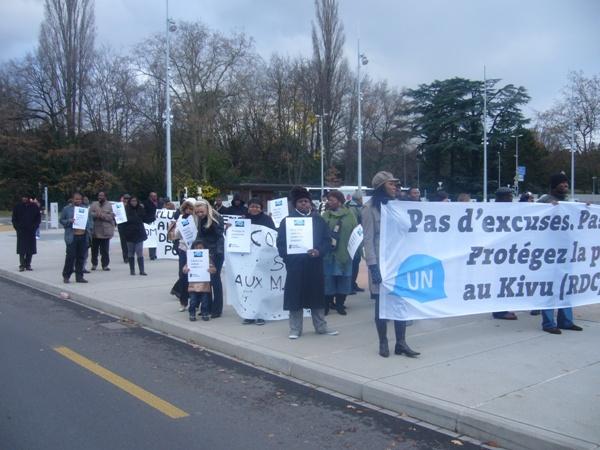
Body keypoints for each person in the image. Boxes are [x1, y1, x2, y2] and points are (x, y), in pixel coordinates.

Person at [362, 171, 419, 358]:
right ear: (381, 187)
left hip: (398, 262)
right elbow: (368, 241)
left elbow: (408, 230)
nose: (396, 187)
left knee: (400, 303)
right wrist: (372, 266)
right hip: (380, 264)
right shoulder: (369, 208)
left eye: (396, 184)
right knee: (381, 306)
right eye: (391, 184)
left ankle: (401, 343)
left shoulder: (398, 206)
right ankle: (383, 342)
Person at [276, 186, 338, 339]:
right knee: (295, 298)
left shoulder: (318, 220)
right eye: (301, 202)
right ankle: (295, 329)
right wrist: (288, 259)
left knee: (316, 297)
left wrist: (319, 251)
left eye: (306, 202)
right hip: (295, 266)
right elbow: (281, 243)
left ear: (310, 203)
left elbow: (326, 240)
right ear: (295, 204)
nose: (304, 204)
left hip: (314, 265)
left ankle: (321, 327)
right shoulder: (287, 221)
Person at [537, 173, 583, 334]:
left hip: (565, 252)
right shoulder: (544, 201)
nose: (565, 186)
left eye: (566, 184)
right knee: (548, 288)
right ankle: (549, 323)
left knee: (566, 288)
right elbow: (535, 215)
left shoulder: (568, 203)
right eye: (562, 184)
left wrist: (586, 209)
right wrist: (550, 205)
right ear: (554, 185)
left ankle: (566, 321)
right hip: (548, 254)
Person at [322, 189, 358, 315]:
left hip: (345, 254)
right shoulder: (325, 215)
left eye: (331, 200)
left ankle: (340, 305)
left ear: (339, 200)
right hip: (328, 255)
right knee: (328, 279)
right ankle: (326, 305)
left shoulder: (349, 215)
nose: (329, 202)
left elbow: (356, 233)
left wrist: (355, 250)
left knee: (344, 279)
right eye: (328, 200)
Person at [490, 187, 519, 320]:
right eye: (509, 196)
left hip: (507, 253)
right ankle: (499, 311)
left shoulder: (508, 209)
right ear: (502, 198)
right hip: (498, 253)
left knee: (506, 283)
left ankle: (503, 308)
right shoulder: (495, 210)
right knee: (500, 282)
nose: (511, 199)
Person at [194, 199, 225, 318]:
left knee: (215, 280)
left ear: (207, 208)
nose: (199, 214)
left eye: (201, 211)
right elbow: (200, 235)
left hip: (216, 252)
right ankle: (207, 306)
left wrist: (216, 253)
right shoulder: (201, 220)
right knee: (206, 280)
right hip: (205, 252)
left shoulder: (216, 218)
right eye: (197, 212)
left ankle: (217, 309)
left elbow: (219, 236)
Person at [60, 192, 92, 283]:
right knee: (70, 257)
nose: (78, 201)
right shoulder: (67, 209)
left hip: (83, 236)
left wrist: (89, 229)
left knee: (81, 257)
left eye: (80, 199)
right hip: (72, 236)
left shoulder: (85, 209)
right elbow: (61, 220)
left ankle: (79, 276)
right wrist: (70, 221)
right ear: (72, 199)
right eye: (76, 199)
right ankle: (66, 276)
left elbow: (89, 221)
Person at [182, 240, 217, 321]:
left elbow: (214, 269)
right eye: (196, 248)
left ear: (204, 249)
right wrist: (185, 270)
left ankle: (205, 313)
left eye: (200, 248)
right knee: (193, 301)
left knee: (205, 302)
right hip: (193, 285)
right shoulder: (190, 259)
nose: (198, 250)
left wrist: (211, 270)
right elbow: (184, 268)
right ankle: (192, 313)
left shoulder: (207, 259)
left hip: (204, 285)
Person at [172, 200, 196, 311]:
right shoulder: (181, 218)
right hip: (183, 248)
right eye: (187, 208)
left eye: (191, 209)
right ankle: (183, 302)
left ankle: (195, 302)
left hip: (195, 249)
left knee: (195, 276)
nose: (189, 211)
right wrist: (178, 228)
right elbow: (176, 235)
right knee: (183, 275)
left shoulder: (196, 218)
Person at [12, 194, 41, 271]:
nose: (24, 198)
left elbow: (38, 218)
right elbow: (14, 218)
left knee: (30, 249)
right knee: (21, 249)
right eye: (23, 197)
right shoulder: (17, 206)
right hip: (21, 231)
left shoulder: (34, 207)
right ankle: (22, 265)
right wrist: (17, 227)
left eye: (25, 197)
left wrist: (34, 227)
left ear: (29, 198)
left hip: (31, 231)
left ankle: (28, 264)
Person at [89, 191, 115, 271]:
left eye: (102, 195)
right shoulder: (94, 204)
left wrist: (102, 215)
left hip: (105, 231)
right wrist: (96, 215)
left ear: (105, 197)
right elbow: (89, 214)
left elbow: (111, 217)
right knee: (94, 250)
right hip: (95, 231)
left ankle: (105, 265)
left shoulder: (110, 205)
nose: (100, 197)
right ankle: (94, 264)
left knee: (105, 251)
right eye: (99, 195)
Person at [122, 196, 147, 276]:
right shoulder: (126, 210)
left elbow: (145, 218)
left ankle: (141, 270)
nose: (134, 202)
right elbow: (122, 221)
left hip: (139, 233)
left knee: (139, 251)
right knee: (130, 252)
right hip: (129, 233)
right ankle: (132, 270)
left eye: (135, 201)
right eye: (132, 201)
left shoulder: (140, 209)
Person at [345, 190, 364, 293]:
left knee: (356, 262)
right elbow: (354, 225)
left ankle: (353, 284)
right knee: (354, 262)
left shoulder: (355, 206)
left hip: (357, 238)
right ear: (359, 199)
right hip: (355, 238)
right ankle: (350, 285)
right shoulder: (353, 208)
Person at [143, 192, 163, 260]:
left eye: (156, 196)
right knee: (151, 240)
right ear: (150, 197)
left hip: (158, 223)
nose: (155, 197)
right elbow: (145, 213)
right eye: (153, 196)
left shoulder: (159, 203)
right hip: (150, 223)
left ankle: (157, 254)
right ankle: (152, 255)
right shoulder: (146, 203)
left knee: (157, 239)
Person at [117, 194, 131, 263]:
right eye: (125, 199)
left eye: (128, 199)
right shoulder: (119, 206)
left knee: (130, 242)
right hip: (122, 225)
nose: (126, 200)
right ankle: (125, 257)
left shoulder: (132, 206)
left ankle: (130, 255)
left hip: (130, 226)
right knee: (124, 242)